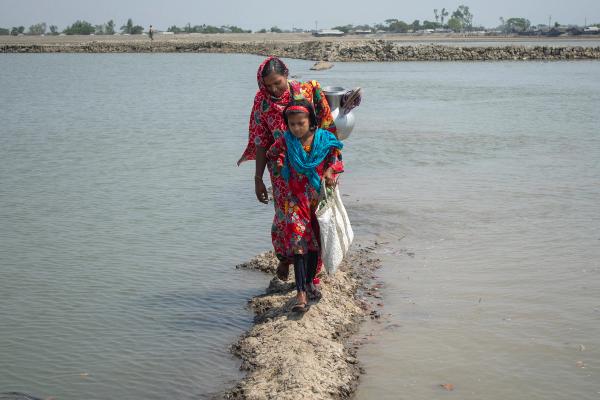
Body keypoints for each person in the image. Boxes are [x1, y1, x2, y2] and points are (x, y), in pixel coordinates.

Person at [238, 56, 336, 281]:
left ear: (287, 75)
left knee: (315, 219)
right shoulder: (262, 102)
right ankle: (284, 259)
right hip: (282, 172)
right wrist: (258, 178)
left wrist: (332, 167)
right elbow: (261, 141)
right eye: (268, 85)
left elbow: (329, 128)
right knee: (286, 219)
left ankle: (310, 277)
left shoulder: (310, 91)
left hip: (313, 168)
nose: (273, 89)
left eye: (277, 82)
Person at [267, 99, 344, 312]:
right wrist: (281, 164)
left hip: (316, 199)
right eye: (292, 124)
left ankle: (309, 282)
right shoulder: (285, 141)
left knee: (314, 245)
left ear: (311, 121)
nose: (296, 128)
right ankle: (300, 294)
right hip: (294, 200)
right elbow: (273, 155)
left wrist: (330, 172)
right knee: (299, 244)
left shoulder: (324, 139)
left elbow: (336, 158)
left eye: (301, 123)